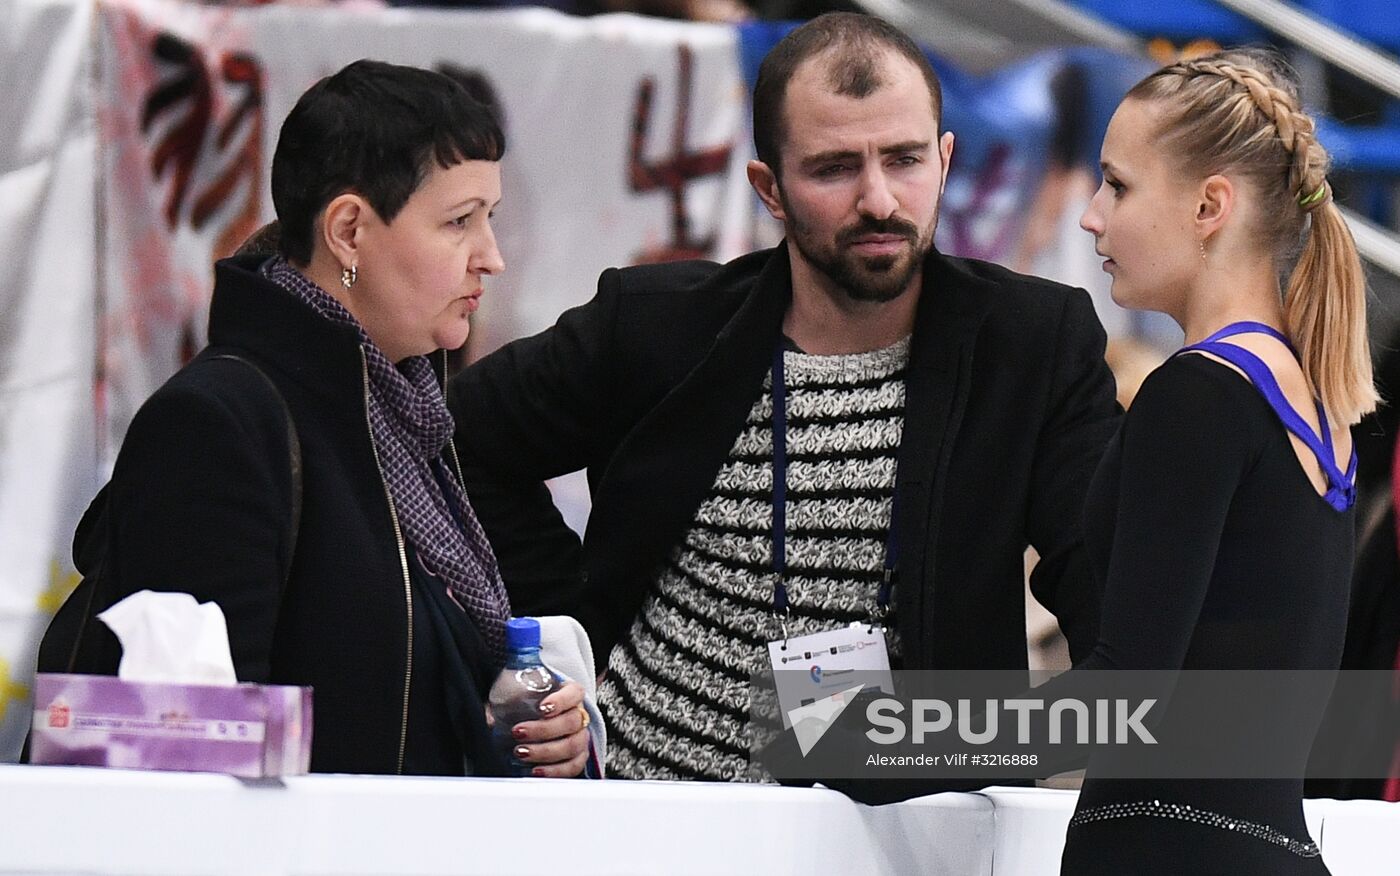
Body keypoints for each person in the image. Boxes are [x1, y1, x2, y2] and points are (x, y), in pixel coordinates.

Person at [450, 12, 1120, 783]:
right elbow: (458, 437)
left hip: (901, 834)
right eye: (835, 169)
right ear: (769, 188)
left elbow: (1113, 598)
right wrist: (568, 629)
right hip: (650, 816)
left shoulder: (1030, 344)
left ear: (945, 160)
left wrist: (931, 747)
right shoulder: (657, 323)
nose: (879, 200)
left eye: (903, 160)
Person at [53, 60, 591, 778]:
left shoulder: (406, 415)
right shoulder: (219, 424)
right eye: (460, 222)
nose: (489, 257)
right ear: (348, 231)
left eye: (490, 219)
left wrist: (535, 733)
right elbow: (187, 760)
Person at [1030, 47, 1373, 873]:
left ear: (1209, 204)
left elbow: (1126, 690)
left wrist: (885, 738)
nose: (1091, 217)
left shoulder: (1199, 394)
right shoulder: (1318, 403)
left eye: (1117, 185)